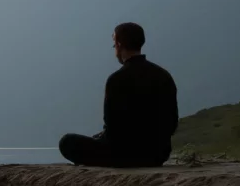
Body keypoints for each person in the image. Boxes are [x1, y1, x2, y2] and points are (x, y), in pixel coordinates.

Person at [59, 23, 178, 167]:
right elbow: (172, 122)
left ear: (119, 45)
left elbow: (112, 126)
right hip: (158, 154)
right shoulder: (163, 75)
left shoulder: (117, 79)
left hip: (124, 154)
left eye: (114, 45)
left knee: (67, 142)